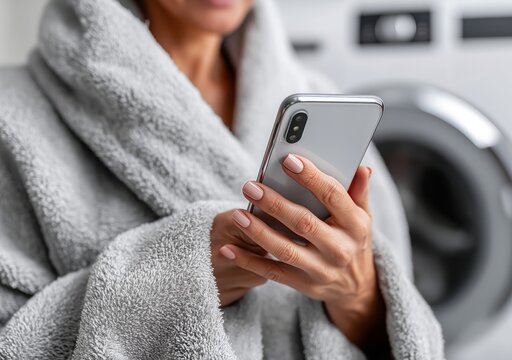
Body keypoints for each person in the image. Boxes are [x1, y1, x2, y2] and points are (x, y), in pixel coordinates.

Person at [0, 0, 444, 359]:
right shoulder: (13, 116)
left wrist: (362, 299)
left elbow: (408, 334)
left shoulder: (324, 104)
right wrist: (178, 277)